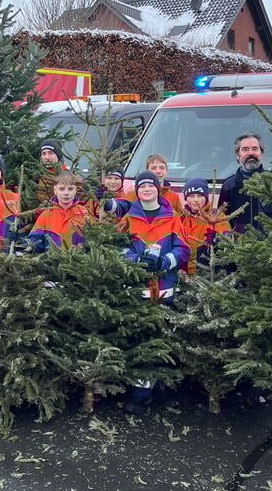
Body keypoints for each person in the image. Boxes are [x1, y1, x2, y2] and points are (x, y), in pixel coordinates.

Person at [111, 170, 189, 413]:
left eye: (150, 186)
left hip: (166, 290)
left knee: (167, 341)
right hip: (138, 291)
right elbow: (118, 250)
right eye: (142, 186)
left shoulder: (173, 219)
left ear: (158, 189)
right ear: (137, 191)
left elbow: (184, 250)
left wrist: (165, 261)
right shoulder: (128, 220)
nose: (146, 190)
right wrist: (136, 261)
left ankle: (165, 391)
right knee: (141, 341)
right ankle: (141, 393)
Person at [217, 131, 272, 233]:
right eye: (245, 149)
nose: (250, 153)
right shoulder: (229, 186)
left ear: (261, 153)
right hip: (240, 247)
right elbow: (222, 221)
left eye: (255, 149)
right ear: (238, 155)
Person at [179, 177, 231, 276]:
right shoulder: (181, 218)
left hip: (208, 274)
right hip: (184, 275)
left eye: (199, 196)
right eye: (191, 196)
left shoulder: (216, 216)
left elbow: (227, 238)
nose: (196, 200)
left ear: (206, 197)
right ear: (186, 198)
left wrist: (217, 239)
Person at [27, 170, 88, 252]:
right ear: (55, 190)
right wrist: (22, 244)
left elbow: (95, 238)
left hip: (79, 263)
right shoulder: (46, 215)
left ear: (75, 190)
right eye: (61, 189)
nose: (66, 193)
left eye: (70, 189)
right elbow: (35, 241)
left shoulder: (84, 212)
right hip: (53, 263)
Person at [36, 138, 67, 205]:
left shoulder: (71, 179)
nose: (47, 157)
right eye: (44, 154)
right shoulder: (37, 178)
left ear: (59, 155)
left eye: (51, 153)